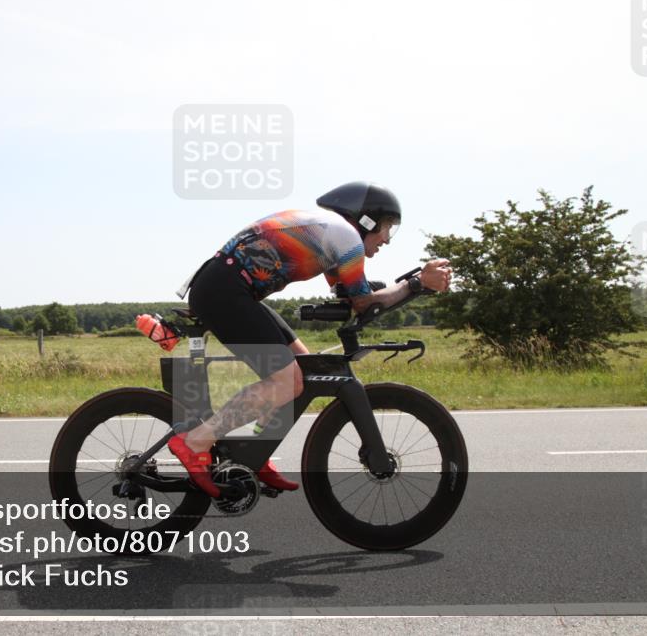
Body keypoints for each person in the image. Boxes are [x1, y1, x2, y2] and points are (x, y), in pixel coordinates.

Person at [169, 181, 453, 498]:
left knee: (304, 371)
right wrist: (416, 283)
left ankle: (251, 452)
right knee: (285, 381)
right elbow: (363, 302)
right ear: (366, 220)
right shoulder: (346, 237)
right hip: (224, 292)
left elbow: (350, 294)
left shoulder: (333, 234)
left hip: (230, 288)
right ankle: (196, 442)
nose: (386, 239)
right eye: (387, 227)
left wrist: (407, 287)